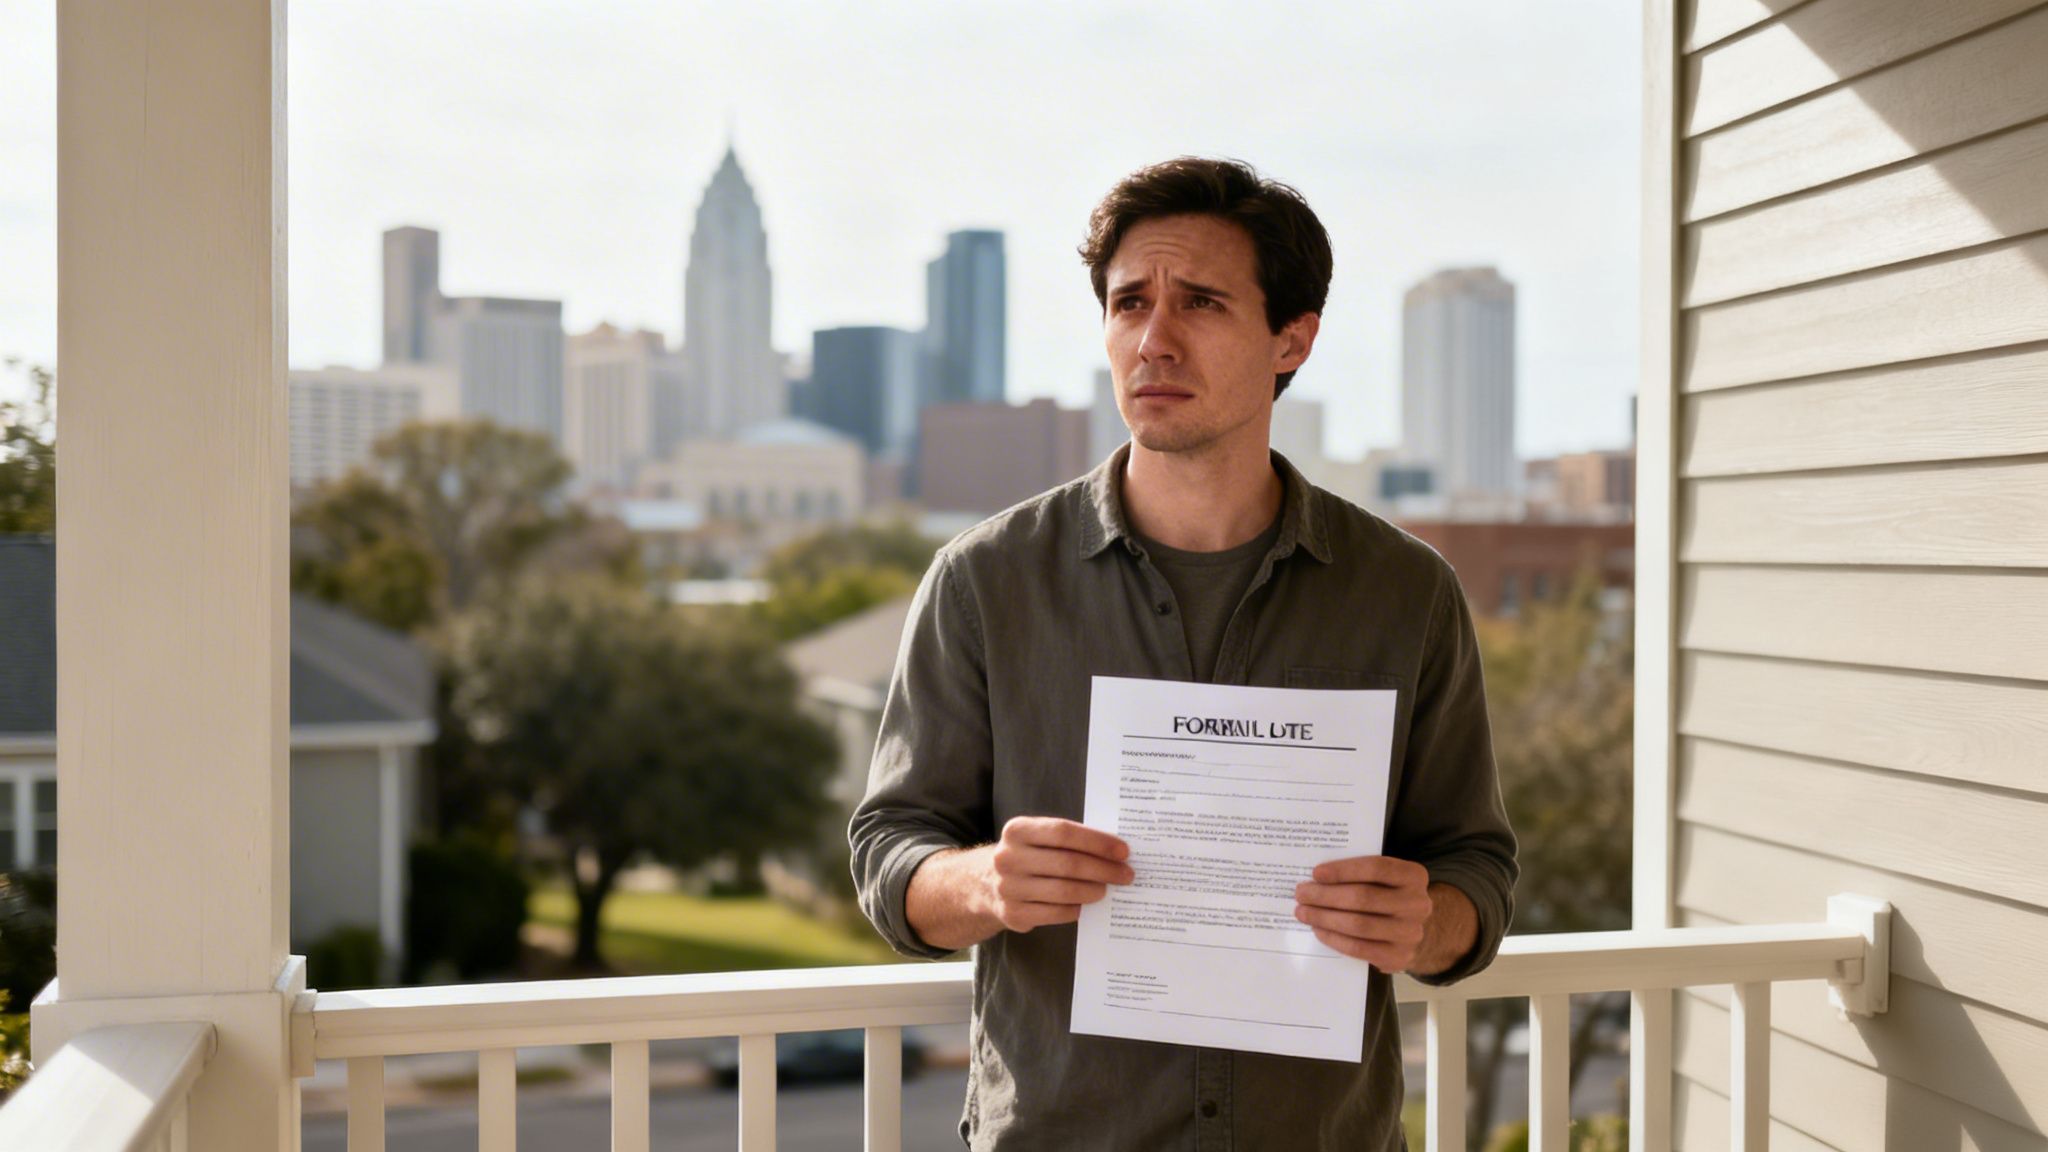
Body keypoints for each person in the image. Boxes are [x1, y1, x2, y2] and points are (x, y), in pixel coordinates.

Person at [850, 156, 1517, 1150]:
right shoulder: (983, 579)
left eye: (1199, 302)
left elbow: (1475, 866)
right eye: (1128, 304)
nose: (1151, 339)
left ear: (1290, 339)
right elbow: (886, 853)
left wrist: (1430, 923)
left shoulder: (1404, 592)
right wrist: (986, 882)